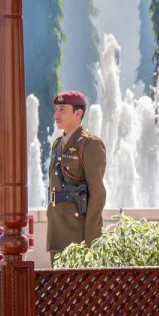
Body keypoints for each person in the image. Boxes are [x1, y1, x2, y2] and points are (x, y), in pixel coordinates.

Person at [47, 91, 107, 256]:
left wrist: (91, 239)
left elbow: (97, 194)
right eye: (56, 110)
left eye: (62, 110)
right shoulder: (57, 144)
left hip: (77, 232)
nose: (56, 115)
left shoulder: (90, 144)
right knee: (56, 273)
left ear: (78, 113)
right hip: (56, 228)